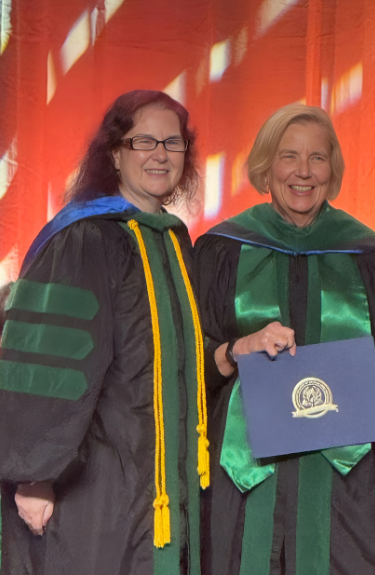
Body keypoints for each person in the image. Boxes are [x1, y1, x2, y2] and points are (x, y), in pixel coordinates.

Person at [0, 90, 207, 575]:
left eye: (172, 143)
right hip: (95, 481)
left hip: (161, 480)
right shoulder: (83, 238)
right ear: (115, 154)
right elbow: (48, 363)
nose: (160, 154)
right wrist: (35, 477)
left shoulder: (173, 240)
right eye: (144, 142)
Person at [193, 103, 375, 575]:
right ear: (266, 168)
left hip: (344, 475)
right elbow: (192, 355)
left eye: (318, 158)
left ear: (333, 170)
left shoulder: (371, 257)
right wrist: (234, 351)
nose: (303, 172)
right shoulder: (222, 249)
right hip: (242, 472)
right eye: (289, 156)